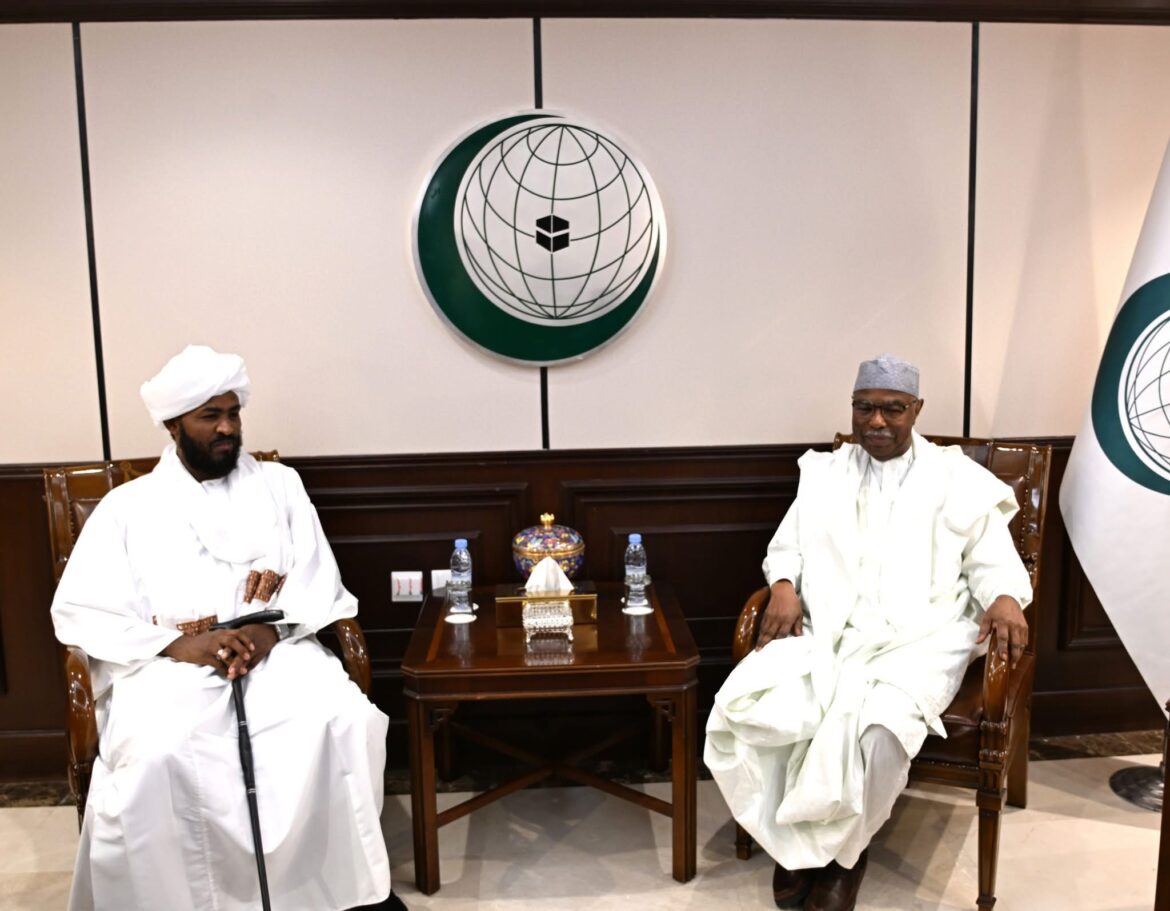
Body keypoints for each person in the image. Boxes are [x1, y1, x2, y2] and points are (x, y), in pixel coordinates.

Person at [51, 345, 401, 911]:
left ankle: (328, 893)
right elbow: (81, 609)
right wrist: (181, 644)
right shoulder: (125, 508)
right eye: (210, 416)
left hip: (278, 648)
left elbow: (316, 577)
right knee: (157, 753)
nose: (227, 428)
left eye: (233, 413)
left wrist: (267, 634)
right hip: (168, 664)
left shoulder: (281, 485)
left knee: (342, 719)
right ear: (173, 425)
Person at [704, 354, 1031, 911]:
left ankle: (842, 858)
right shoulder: (825, 473)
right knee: (766, 706)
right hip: (832, 628)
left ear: (916, 409)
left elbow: (991, 559)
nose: (876, 421)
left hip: (923, 638)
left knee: (879, 731)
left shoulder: (956, 477)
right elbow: (788, 545)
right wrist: (782, 585)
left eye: (892, 409)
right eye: (864, 407)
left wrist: (1003, 595)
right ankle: (796, 841)